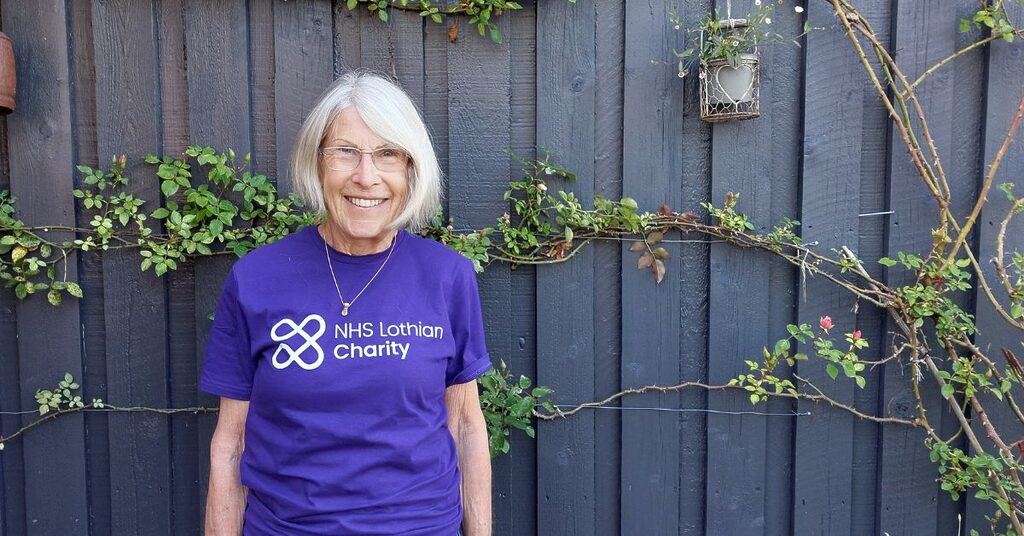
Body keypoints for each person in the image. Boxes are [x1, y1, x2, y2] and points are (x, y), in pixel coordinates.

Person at [200, 71, 493, 535]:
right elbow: (231, 444)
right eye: (346, 152)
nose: (366, 176)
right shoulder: (256, 279)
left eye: (387, 155)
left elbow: (466, 426)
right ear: (317, 163)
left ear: (411, 170)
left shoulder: (446, 276)